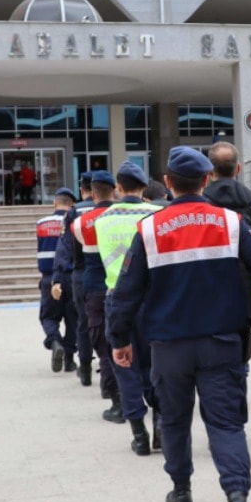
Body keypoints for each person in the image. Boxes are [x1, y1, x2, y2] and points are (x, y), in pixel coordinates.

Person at [108, 146, 251, 502]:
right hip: (222, 343)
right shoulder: (232, 221)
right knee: (225, 424)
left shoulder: (150, 229)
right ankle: (237, 500)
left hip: (169, 347)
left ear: (167, 184)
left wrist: (119, 341)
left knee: (173, 420)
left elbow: (125, 294)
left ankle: (182, 491)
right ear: (207, 180)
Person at [96, 162, 163, 456]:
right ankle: (161, 426)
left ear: (118, 188)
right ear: (144, 188)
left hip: (117, 298)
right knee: (157, 366)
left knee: (125, 367)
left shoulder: (100, 218)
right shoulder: (158, 215)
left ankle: (139, 435)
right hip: (154, 299)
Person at [203, 141, 251, 364]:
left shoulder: (202, 205)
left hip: (209, 284)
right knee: (242, 342)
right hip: (245, 287)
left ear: (209, 170)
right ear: (238, 168)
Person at [71, 171, 123, 423]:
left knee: (102, 343)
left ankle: (114, 397)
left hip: (94, 285)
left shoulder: (80, 222)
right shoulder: (126, 217)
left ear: (92, 193)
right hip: (124, 284)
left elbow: (77, 259)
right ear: (115, 190)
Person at [53, 172, 97, 385]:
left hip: (80, 274)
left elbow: (65, 248)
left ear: (82, 190)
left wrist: (57, 278)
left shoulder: (74, 212)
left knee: (83, 322)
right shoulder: (110, 209)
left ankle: (86, 369)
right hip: (110, 273)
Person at [38, 188, 78, 373]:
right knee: (73, 320)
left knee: (48, 316)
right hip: (71, 277)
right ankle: (69, 359)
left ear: (55, 203)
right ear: (72, 205)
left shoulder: (42, 223)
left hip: (48, 279)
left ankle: (55, 342)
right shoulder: (74, 223)